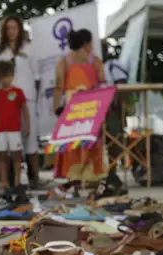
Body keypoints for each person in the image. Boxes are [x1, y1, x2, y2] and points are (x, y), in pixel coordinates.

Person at [0, 15, 41, 186]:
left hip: (27, 97)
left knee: (30, 138)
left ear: (19, 29)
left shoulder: (30, 48)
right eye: (8, 28)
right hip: (5, 102)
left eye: (14, 28)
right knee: (9, 142)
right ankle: (12, 180)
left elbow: (37, 76)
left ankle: (35, 177)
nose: (11, 31)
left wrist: (34, 96)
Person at [52, 29, 106, 183]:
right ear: (87, 43)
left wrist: (55, 106)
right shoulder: (95, 61)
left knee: (72, 140)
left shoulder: (64, 60)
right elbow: (102, 83)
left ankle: (73, 175)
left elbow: (59, 85)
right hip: (92, 104)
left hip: (72, 105)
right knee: (92, 140)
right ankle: (92, 175)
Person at [0, 60, 29, 201]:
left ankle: (18, 182)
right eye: (2, 77)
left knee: (16, 157)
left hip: (14, 130)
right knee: (2, 157)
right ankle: (4, 183)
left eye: (8, 76)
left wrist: (27, 125)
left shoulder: (18, 92)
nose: (5, 80)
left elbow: (24, 110)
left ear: (13, 76)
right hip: (0, 131)